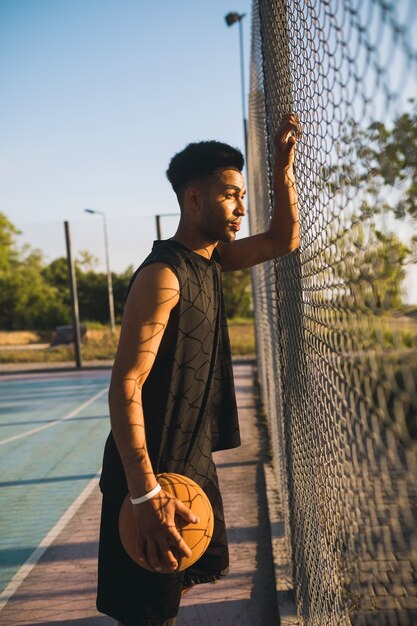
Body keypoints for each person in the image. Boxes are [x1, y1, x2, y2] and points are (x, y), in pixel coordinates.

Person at [96, 113, 301, 626]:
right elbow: (125, 384)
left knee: (171, 596)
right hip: (148, 469)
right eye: (230, 194)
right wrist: (143, 494)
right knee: (147, 613)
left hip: (189, 460)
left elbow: (283, 240)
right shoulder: (164, 275)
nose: (241, 207)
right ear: (193, 198)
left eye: (242, 196)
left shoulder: (211, 261)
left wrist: (282, 167)